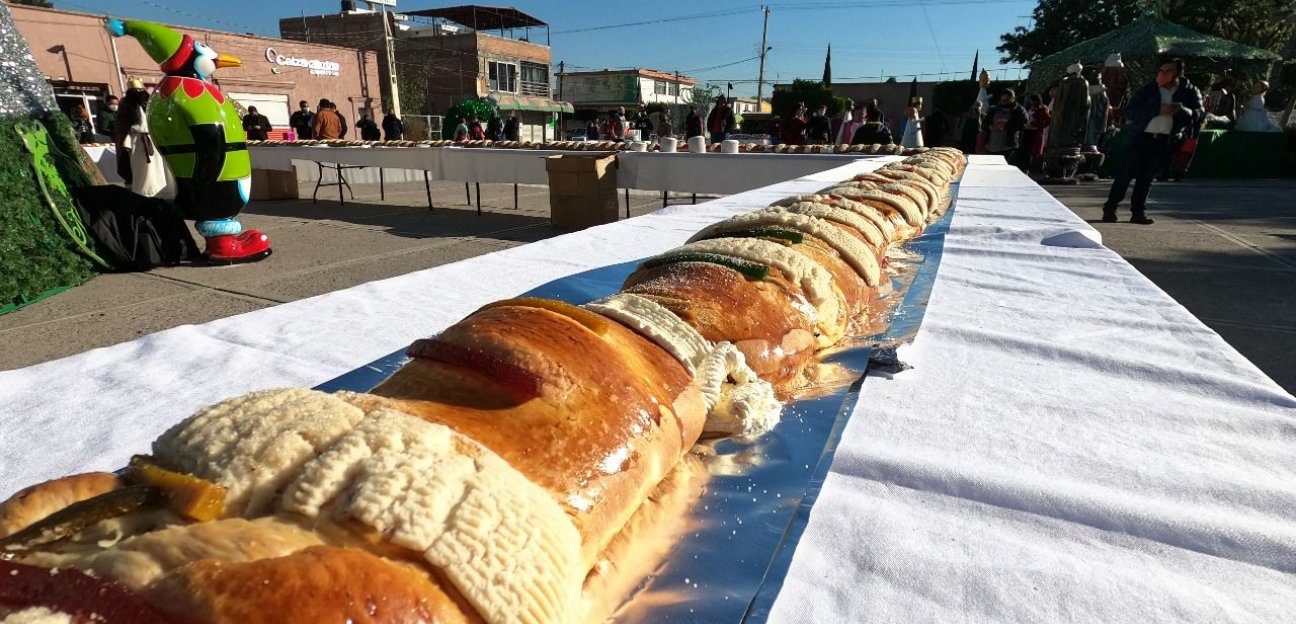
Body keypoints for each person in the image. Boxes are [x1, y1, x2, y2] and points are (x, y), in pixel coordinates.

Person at [1102, 58, 1203, 225]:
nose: (1163, 74)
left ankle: (1138, 212)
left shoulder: (1189, 91)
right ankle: (1110, 209)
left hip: (1164, 140)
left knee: (1146, 178)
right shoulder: (1149, 89)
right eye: (1161, 71)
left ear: (1177, 74)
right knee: (1125, 175)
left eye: (1168, 71)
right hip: (1141, 137)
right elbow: (1130, 112)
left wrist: (1181, 110)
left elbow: (1199, 113)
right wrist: (1157, 110)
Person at [981, 89, 1028, 162]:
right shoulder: (994, 109)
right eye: (1002, 100)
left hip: (1008, 147)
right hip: (991, 146)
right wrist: (989, 127)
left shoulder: (1019, 110)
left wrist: (1004, 126)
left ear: (1013, 99)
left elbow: (1024, 124)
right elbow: (984, 123)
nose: (1003, 102)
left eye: (1006, 100)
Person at [1021, 94, 1051, 172]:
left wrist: (1037, 125)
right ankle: (1025, 168)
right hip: (1026, 131)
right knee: (1025, 151)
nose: (1031, 102)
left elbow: (1048, 120)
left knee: (1033, 152)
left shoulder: (1042, 109)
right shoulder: (1028, 108)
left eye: (1033, 100)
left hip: (1035, 132)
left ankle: (1033, 169)